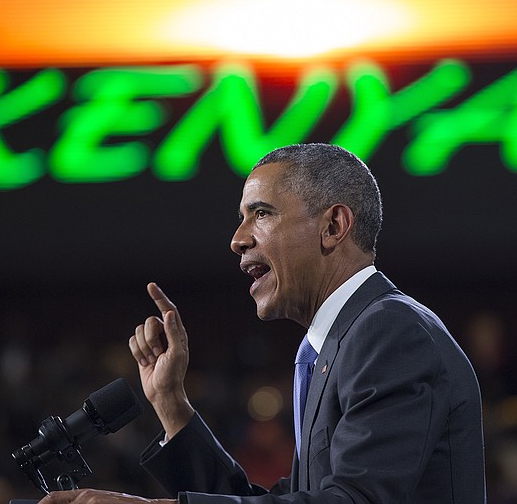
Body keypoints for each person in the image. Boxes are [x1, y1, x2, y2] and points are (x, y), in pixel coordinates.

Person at [44, 143, 486, 503]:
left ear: (333, 226)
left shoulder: (390, 333)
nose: (238, 239)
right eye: (242, 218)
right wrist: (172, 405)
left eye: (262, 213)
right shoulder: (334, 346)